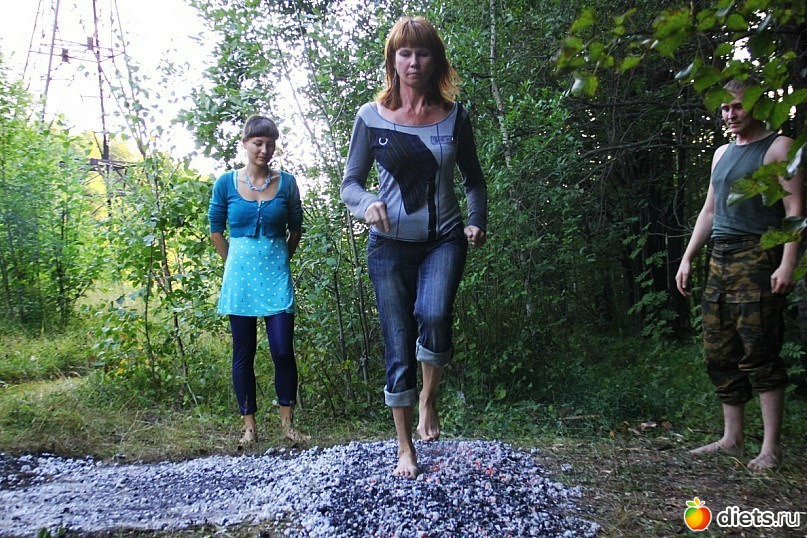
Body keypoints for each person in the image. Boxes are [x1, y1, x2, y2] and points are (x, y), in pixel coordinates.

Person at [340, 15, 487, 478]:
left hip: (444, 239)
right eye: (405, 53)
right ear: (393, 60)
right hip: (387, 246)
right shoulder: (370, 117)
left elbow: (474, 181)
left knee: (435, 314)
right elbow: (349, 184)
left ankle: (428, 397)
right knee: (398, 342)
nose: (413, 62)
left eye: (422, 53)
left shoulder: (455, 117)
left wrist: (476, 222)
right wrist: (367, 203)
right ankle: (405, 446)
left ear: (435, 60)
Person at [675, 79, 804, 471]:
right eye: (724, 109)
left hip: (758, 256)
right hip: (720, 258)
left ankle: (770, 449)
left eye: (737, 107)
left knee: (760, 349)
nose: (730, 115)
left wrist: (787, 262)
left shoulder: (779, 148)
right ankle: (732, 439)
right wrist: (687, 257)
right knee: (719, 350)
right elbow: (710, 211)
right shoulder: (721, 153)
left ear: (756, 105)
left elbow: (795, 208)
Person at [208, 114, 309, 446]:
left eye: (270, 144)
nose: (265, 150)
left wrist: (281, 259)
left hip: (276, 277)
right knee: (243, 352)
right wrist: (232, 262)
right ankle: (249, 427)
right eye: (258, 143)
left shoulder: (287, 183)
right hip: (240, 280)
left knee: (282, 350)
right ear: (245, 144)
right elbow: (215, 228)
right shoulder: (226, 183)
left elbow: (296, 228)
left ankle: (288, 426)